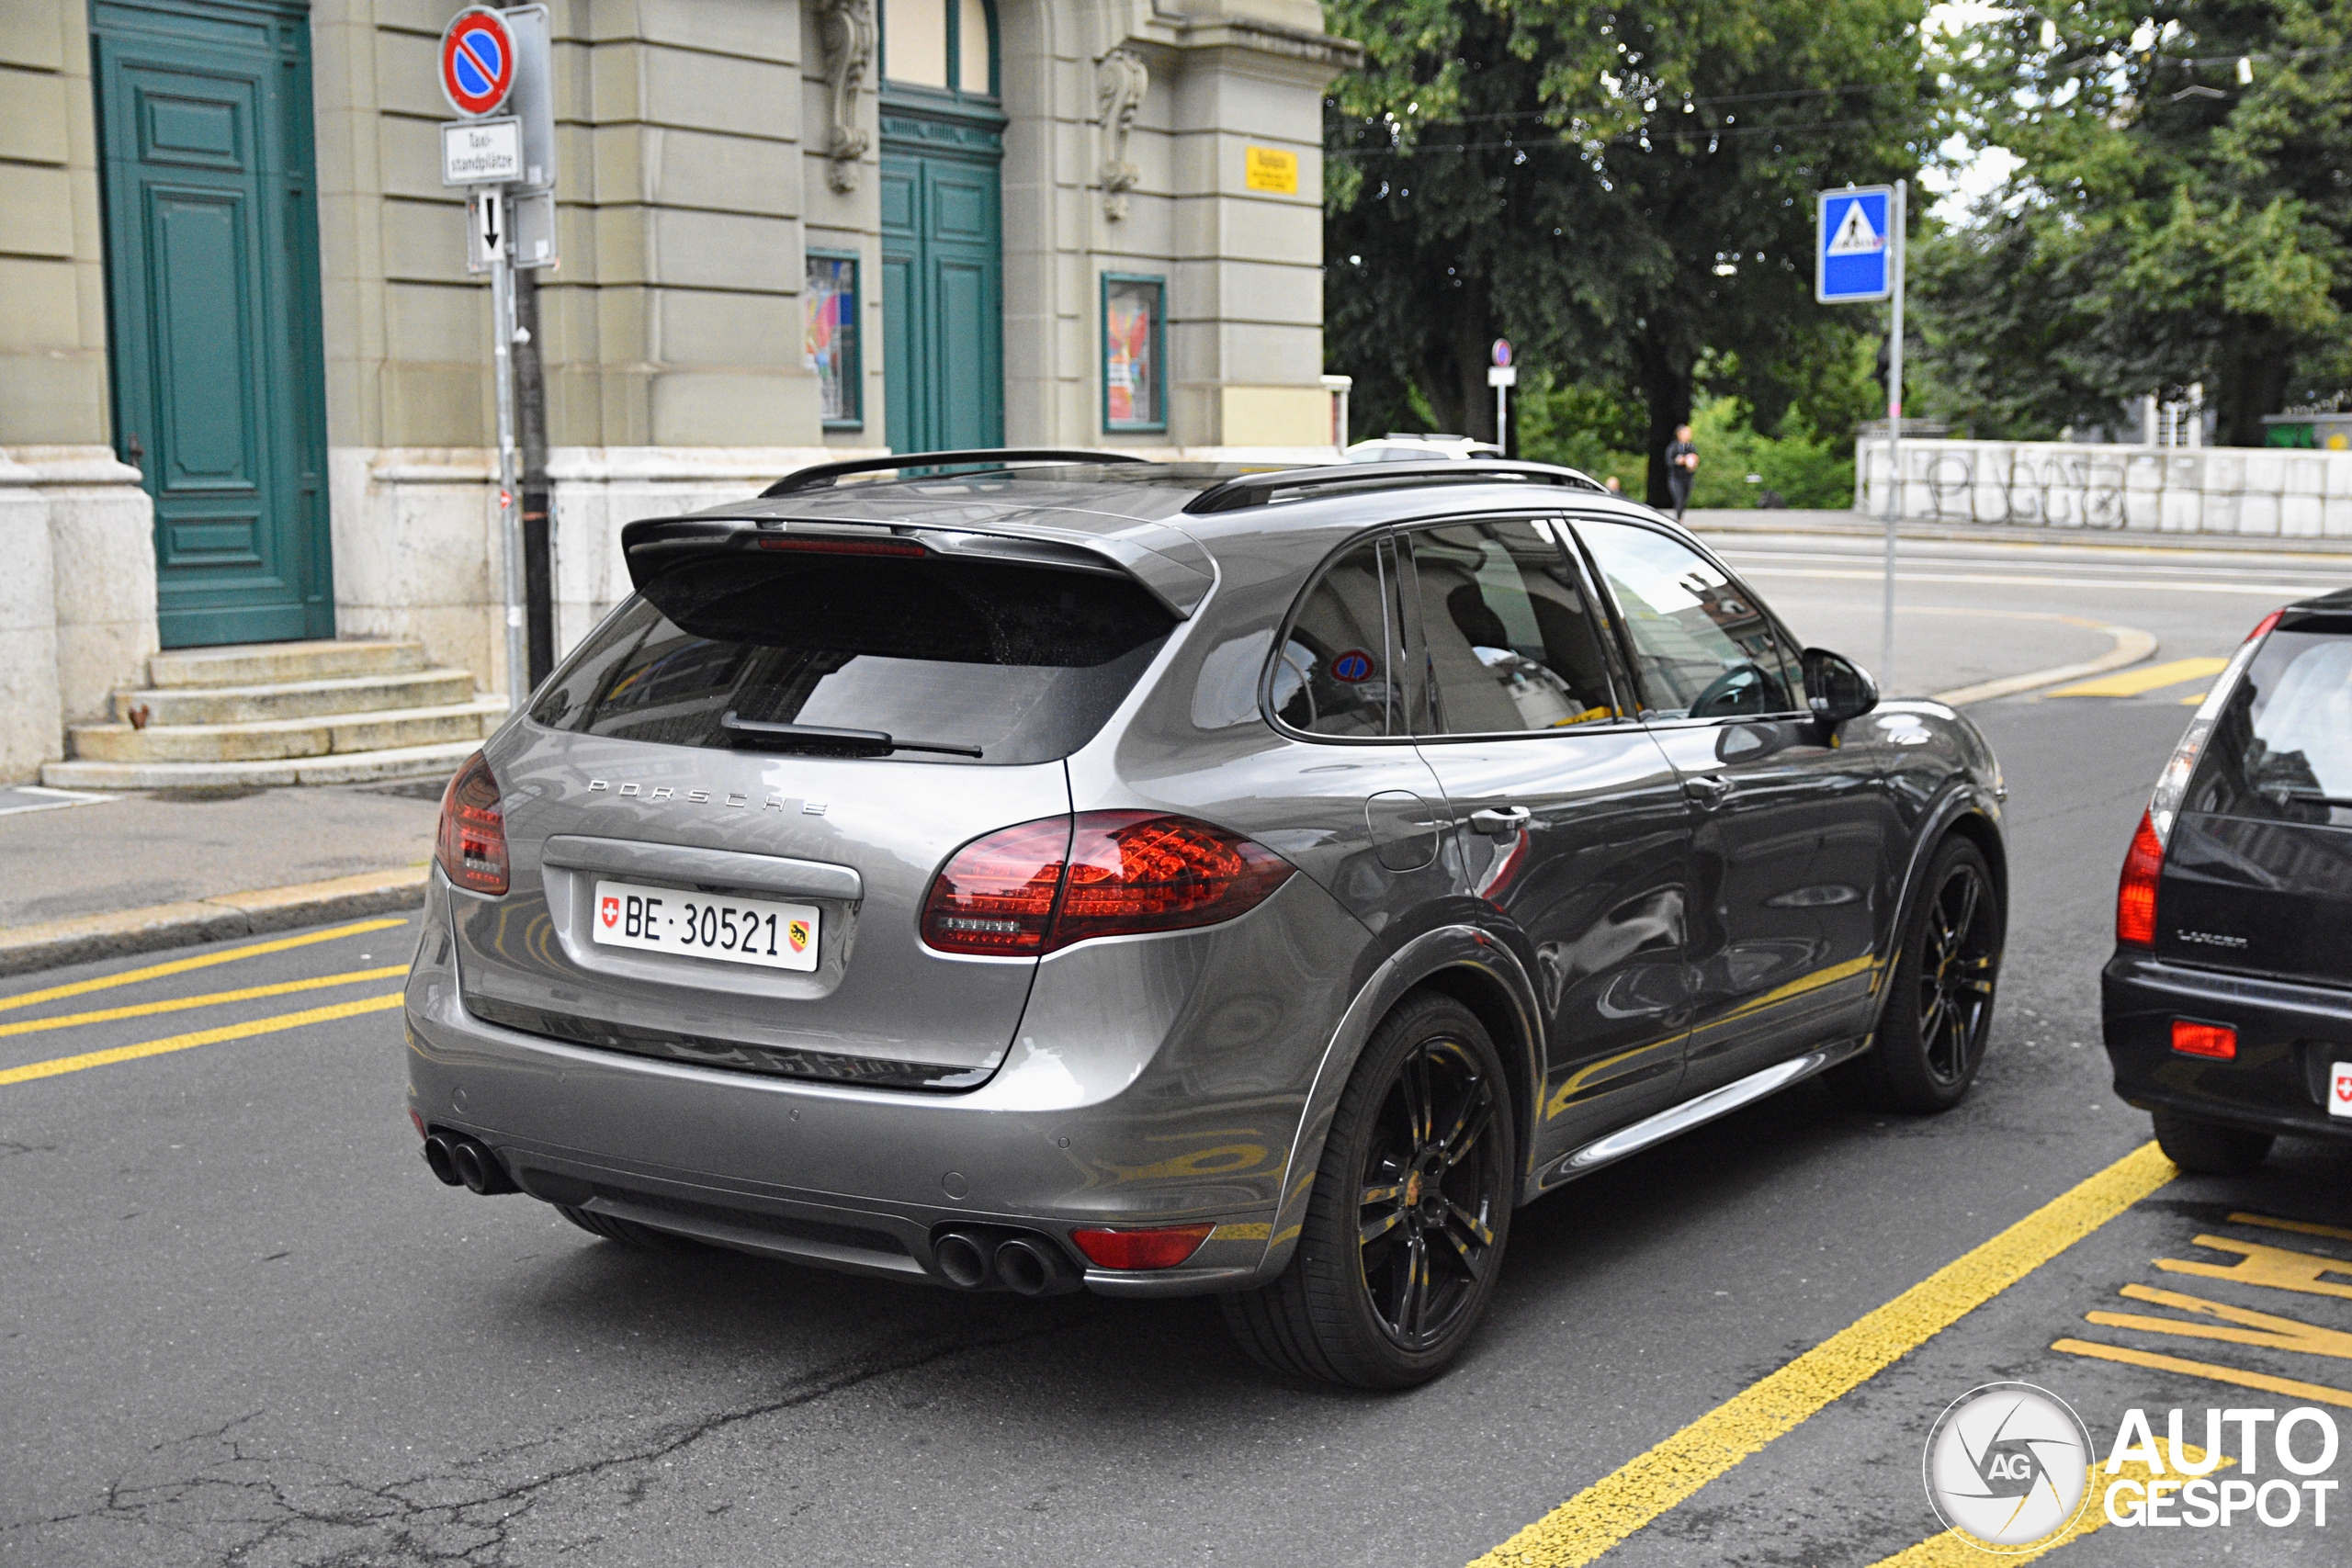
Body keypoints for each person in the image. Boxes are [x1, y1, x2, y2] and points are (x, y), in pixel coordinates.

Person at [1664, 425, 1698, 521]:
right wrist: (1678, 462)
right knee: (1679, 498)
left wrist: (1692, 463)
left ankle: (1680, 517)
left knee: (1685, 499)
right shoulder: (1673, 447)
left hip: (1688, 477)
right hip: (1676, 478)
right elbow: (1668, 462)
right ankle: (1678, 519)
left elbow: (1695, 459)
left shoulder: (1691, 447)